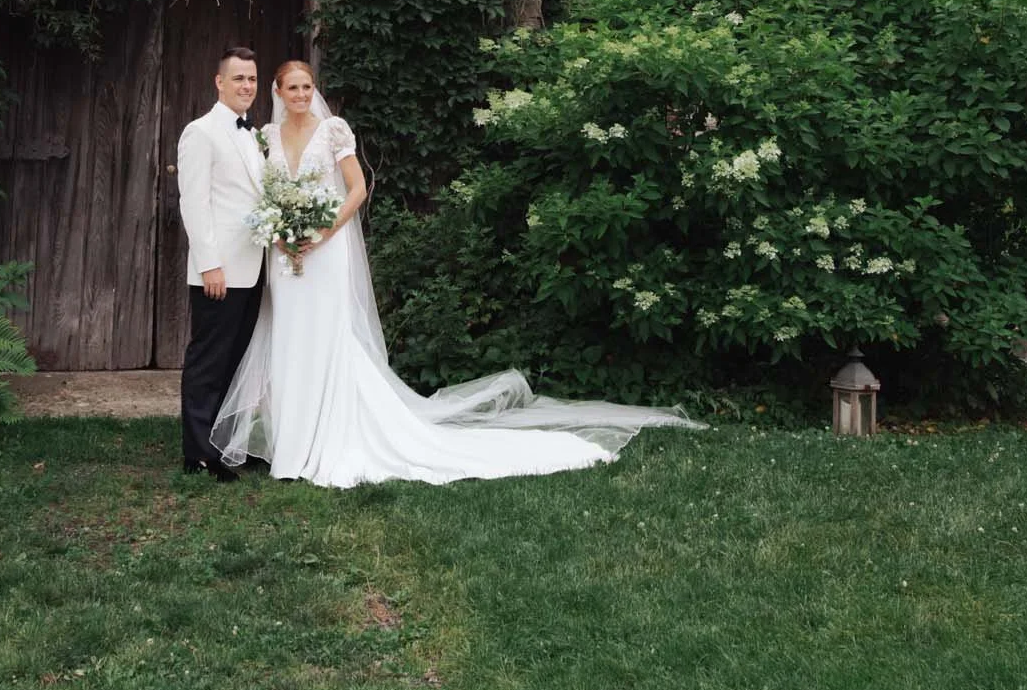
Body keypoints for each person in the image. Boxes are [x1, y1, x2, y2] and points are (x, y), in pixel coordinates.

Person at [211, 59, 694, 487]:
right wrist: (281, 233)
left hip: (326, 250)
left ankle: (330, 439)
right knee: (291, 339)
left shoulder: (333, 129)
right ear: (278, 92)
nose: (300, 94)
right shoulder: (267, 135)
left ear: (313, 89)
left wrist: (322, 232)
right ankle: (292, 448)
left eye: (306, 86)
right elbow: (267, 194)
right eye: (292, 88)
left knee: (327, 340)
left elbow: (356, 189)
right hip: (286, 256)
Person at [174, 46, 267, 480]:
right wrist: (209, 264)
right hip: (220, 271)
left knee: (235, 361)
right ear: (219, 82)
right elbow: (194, 203)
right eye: (238, 78)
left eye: (252, 79)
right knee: (209, 360)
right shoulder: (201, 132)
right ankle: (198, 454)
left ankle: (224, 445)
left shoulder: (253, 134)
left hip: (253, 267)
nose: (246, 86)